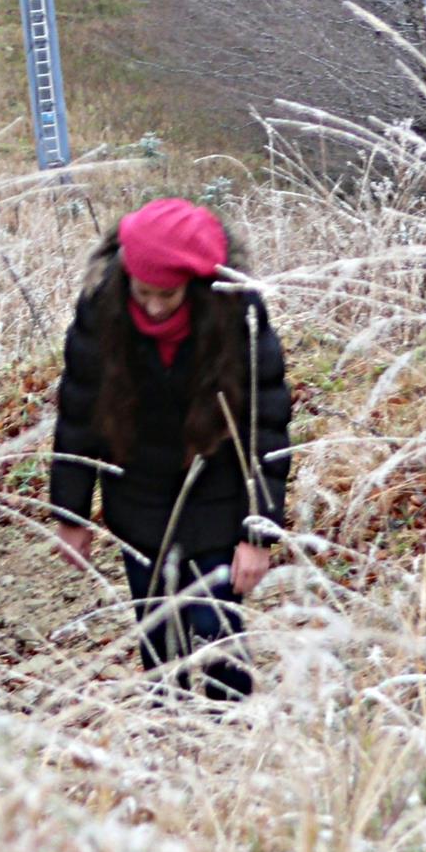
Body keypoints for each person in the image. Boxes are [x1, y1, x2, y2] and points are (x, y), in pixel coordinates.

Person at [50, 197, 291, 702]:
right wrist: (70, 514)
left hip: (216, 494)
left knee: (215, 630)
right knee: (160, 636)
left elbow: (264, 427)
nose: (155, 306)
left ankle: (230, 743)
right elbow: (78, 412)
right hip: (137, 497)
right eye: (144, 292)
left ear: (196, 282)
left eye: (169, 294)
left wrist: (258, 533)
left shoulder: (238, 312)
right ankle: (169, 737)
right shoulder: (102, 307)